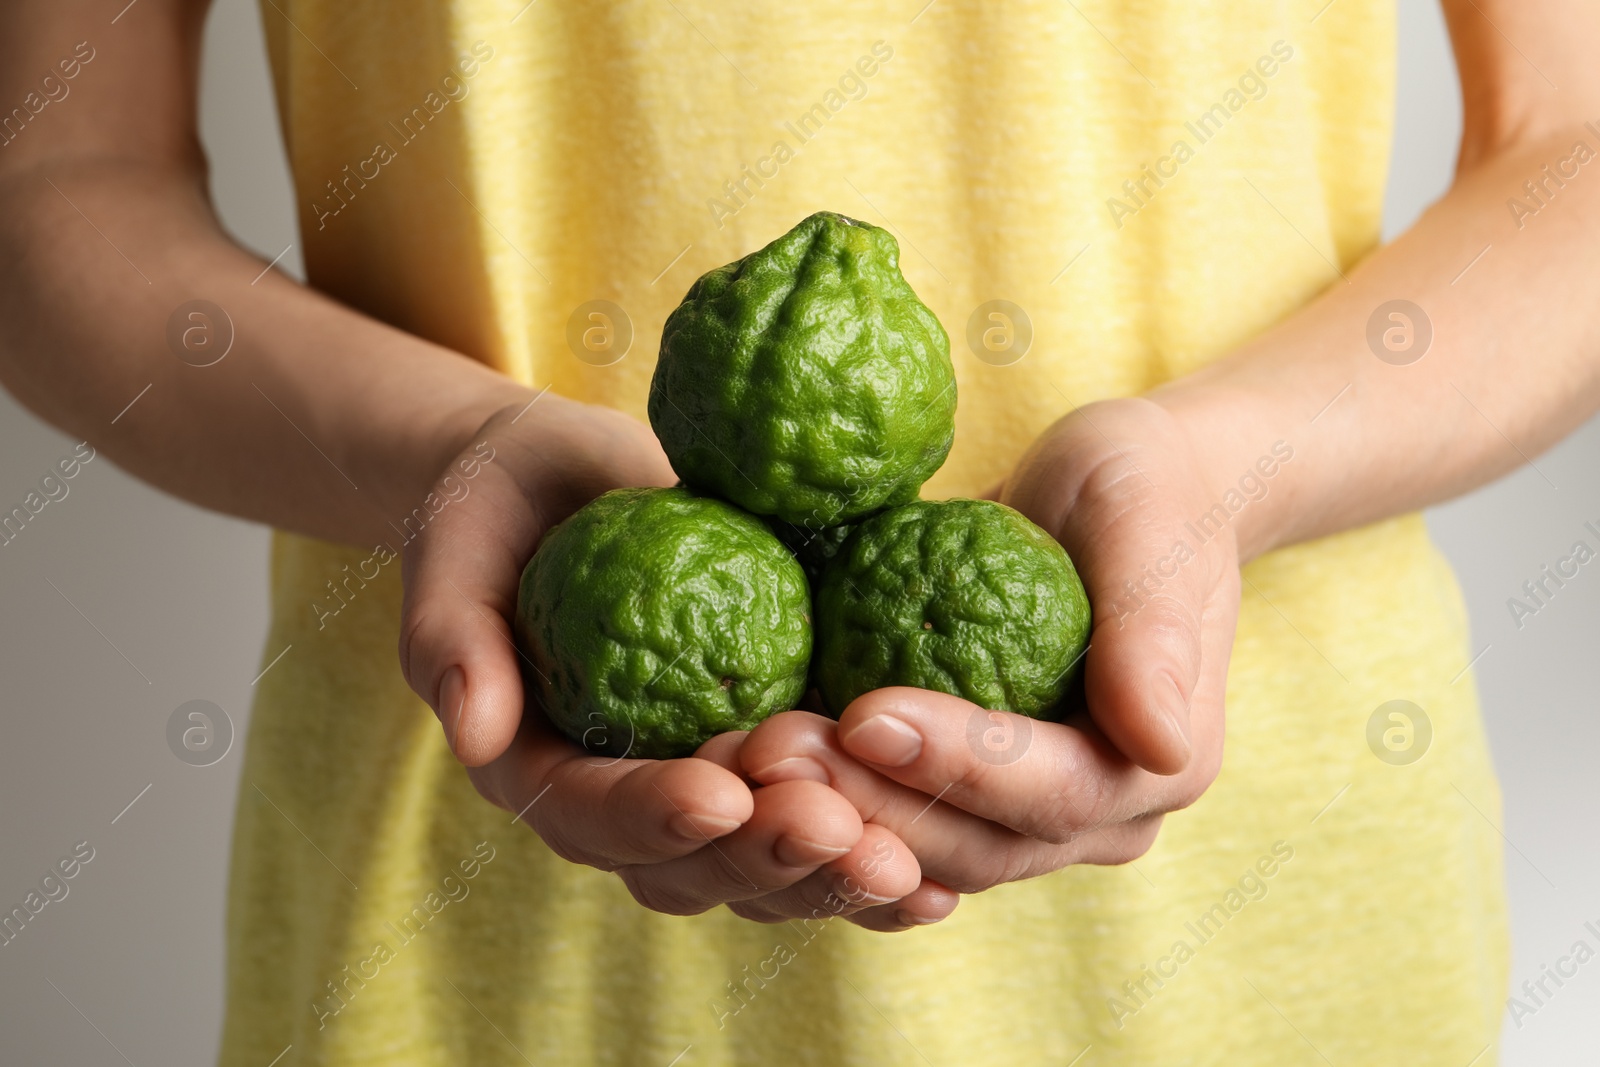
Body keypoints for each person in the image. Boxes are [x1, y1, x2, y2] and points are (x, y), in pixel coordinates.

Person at [2, 0, 1592, 1061]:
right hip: (460, 942)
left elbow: (1570, 151)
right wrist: (446, 452)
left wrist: (1219, 469)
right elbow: (57, 175)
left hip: (1265, 937)